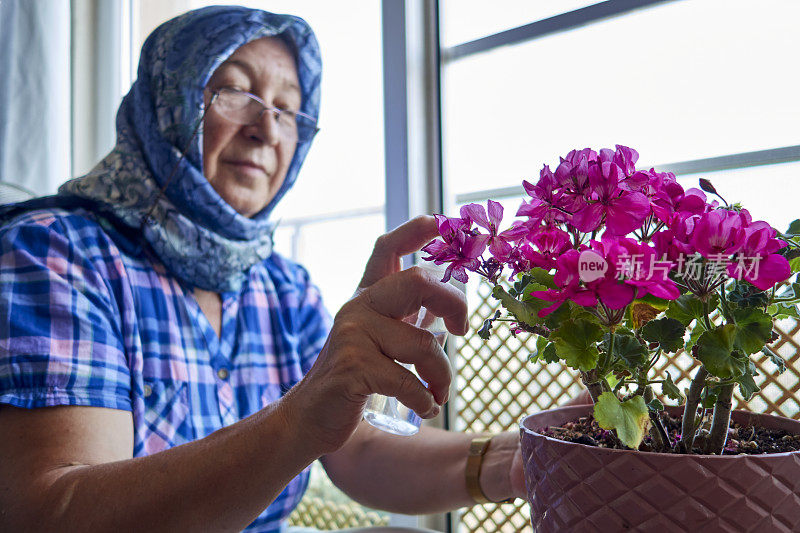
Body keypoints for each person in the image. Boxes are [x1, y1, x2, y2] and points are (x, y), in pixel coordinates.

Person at [0, 7, 525, 532]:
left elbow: (359, 452)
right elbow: (55, 513)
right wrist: (298, 417)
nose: (267, 129)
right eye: (235, 92)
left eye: (288, 110)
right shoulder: (55, 252)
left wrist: (517, 460)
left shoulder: (283, 288)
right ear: (167, 102)